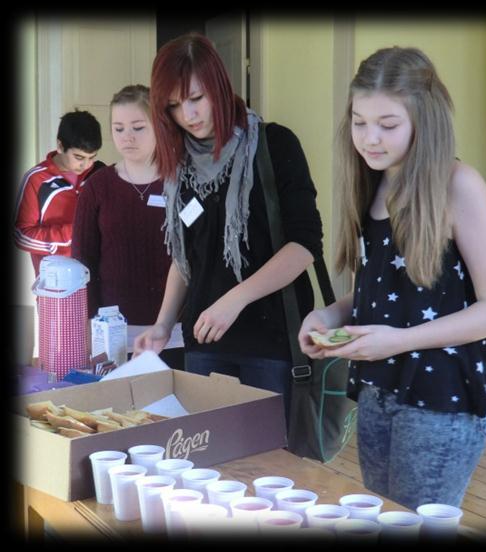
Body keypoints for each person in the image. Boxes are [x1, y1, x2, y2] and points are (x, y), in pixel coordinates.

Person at [298, 47, 486, 510]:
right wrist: (326, 313)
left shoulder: (460, 184)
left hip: (441, 401)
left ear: (425, 119)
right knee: (383, 521)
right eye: (359, 122)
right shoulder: (372, 182)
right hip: (377, 391)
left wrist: (397, 341)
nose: (370, 138)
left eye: (388, 125)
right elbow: (383, 293)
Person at [133, 33, 323, 420]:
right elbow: (186, 257)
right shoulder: (180, 165)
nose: (188, 115)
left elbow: (304, 245)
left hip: (271, 345)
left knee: (274, 470)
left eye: (196, 98)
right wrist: (162, 325)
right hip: (204, 343)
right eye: (173, 106)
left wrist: (235, 299)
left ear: (219, 86)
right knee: (212, 465)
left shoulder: (275, 145)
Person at [72, 85, 178, 367]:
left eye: (138, 127)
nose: (127, 137)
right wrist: (84, 326)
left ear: (159, 125)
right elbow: (83, 262)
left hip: (174, 332)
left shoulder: (181, 181)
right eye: (118, 129)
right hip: (112, 334)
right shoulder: (97, 186)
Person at [14, 110, 104, 275]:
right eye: (79, 157)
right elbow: (21, 236)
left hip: (98, 279)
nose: (86, 165)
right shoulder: (36, 179)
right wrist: (73, 233)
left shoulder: (99, 173)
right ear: (61, 146)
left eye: (92, 157)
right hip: (56, 283)